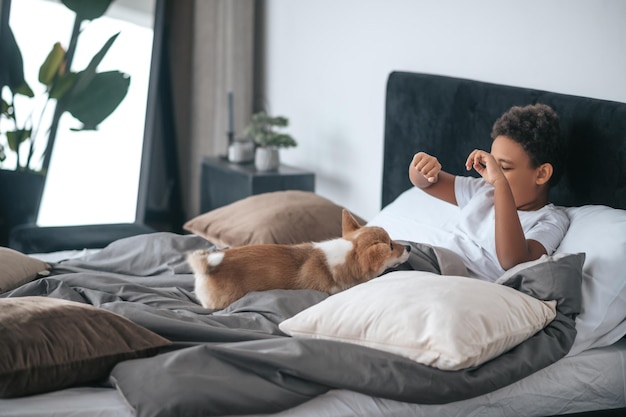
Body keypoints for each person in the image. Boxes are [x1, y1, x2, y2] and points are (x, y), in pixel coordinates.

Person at [408, 103, 569, 281]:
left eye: (504, 168)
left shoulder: (550, 220)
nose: (493, 174)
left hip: (463, 282)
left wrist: (501, 184)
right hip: (436, 263)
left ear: (541, 174)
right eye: (492, 164)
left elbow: (513, 262)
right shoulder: (483, 191)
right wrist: (420, 167)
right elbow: (427, 184)